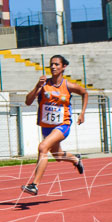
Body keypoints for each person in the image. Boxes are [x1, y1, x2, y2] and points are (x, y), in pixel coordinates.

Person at [21, 55, 87, 196]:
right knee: (57, 155)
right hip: (46, 126)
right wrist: (37, 86)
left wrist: (82, 113)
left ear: (63, 67)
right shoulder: (44, 85)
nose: (53, 67)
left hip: (63, 125)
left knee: (42, 147)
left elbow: (84, 93)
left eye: (57, 64)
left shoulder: (68, 85)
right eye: (51, 64)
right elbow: (27, 101)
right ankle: (76, 159)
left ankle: (34, 185)